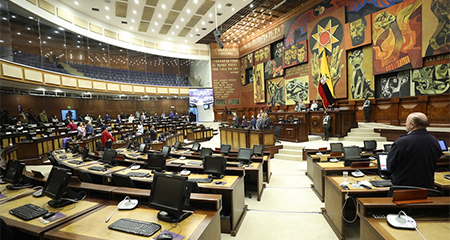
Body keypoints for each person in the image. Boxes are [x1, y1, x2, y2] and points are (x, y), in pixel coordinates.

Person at [387, 112, 441, 189]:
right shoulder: (434, 141)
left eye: (406, 122)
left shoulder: (401, 142)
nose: (405, 124)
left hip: (403, 188)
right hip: (427, 188)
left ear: (412, 125)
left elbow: (390, 167)